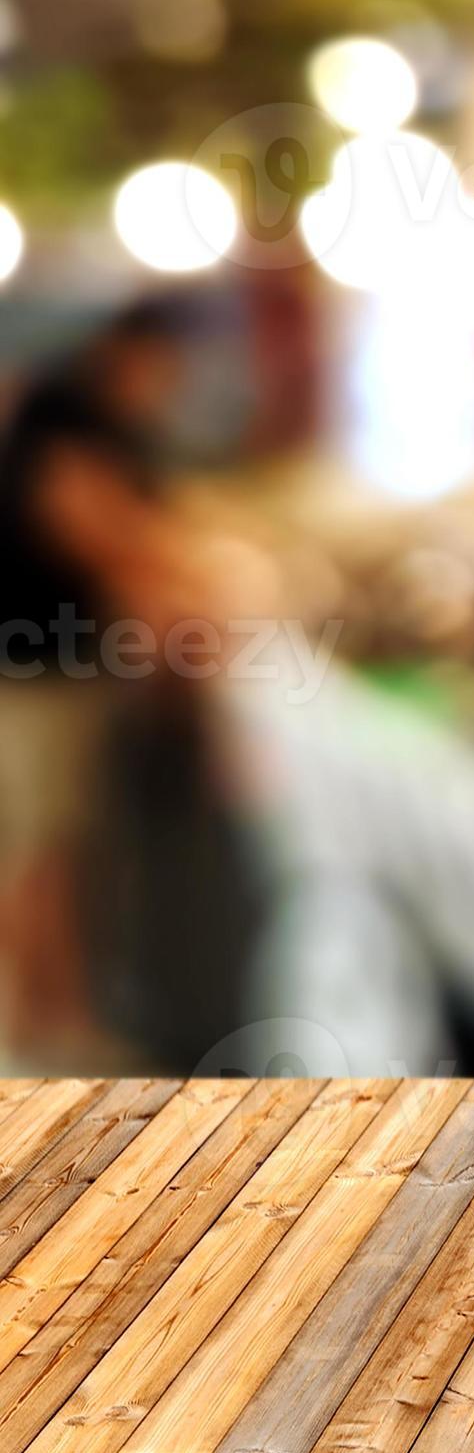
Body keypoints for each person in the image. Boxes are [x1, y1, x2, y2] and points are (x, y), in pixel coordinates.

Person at [0, 301, 248, 1056]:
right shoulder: (68, 416)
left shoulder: (104, 421)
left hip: (68, 668)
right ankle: (47, 1025)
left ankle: (59, 1016)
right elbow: (98, 532)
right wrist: (195, 581)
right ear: (129, 353)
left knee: (66, 846)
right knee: (43, 848)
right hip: (35, 672)